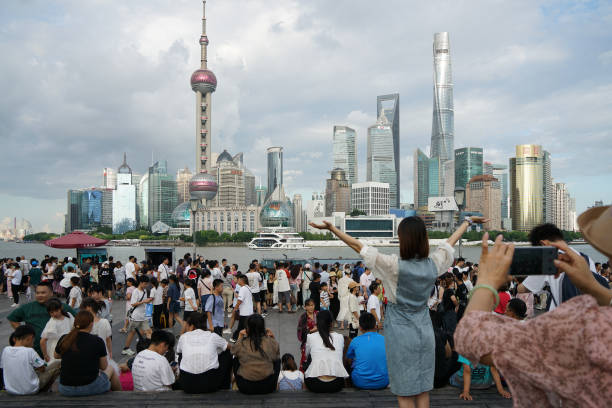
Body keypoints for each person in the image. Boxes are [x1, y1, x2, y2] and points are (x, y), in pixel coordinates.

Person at [310, 215, 487, 407]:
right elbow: (448, 244)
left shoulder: (393, 266)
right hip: (424, 331)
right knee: (423, 389)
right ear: (424, 238)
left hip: (401, 334)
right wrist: (467, 222)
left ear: (403, 239)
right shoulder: (432, 264)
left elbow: (359, 247)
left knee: (405, 393)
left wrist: (332, 229)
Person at [454, 227, 612, 407]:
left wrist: (486, 282)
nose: (607, 260)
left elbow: (472, 341)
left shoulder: (555, 338)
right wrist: (595, 287)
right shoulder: (587, 261)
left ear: (543, 245)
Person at [517, 223, 609, 310]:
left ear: (543, 244)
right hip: (588, 317)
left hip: (564, 320)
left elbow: (523, 289)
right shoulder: (586, 259)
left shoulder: (548, 262)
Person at [55, 311, 121, 396]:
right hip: (90, 388)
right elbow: (103, 366)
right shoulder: (97, 341)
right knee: (111, 369)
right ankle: (119, 395)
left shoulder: (64, 338)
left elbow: (56, 356)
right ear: (91, 324)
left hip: (65, 389)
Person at [7, 281, 76, 357]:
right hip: (35, 351)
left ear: (51, 293)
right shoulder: (28, 307)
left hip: (58, 351)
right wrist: (23, 334)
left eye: (43, 293)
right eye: (37, 293)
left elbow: (79, 320)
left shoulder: (62, 307)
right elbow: (12, 318)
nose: (39, 295)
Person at [176, 312, 232, 393]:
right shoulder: (212, 336)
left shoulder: (183, 337)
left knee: (181, 354)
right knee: (227, 352)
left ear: (191, 326)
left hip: (187, 384)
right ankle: (225, 386)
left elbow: (178, 352)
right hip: (210, 384)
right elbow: (230, 347)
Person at [1, 325, 61, 395]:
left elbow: (3, 368)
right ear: (30, 338)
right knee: (58, 364)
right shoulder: (29, 351)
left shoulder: (5, 350)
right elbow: (42, 369)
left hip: (11, 390)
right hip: (30, 390)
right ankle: (44, 390)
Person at [232, 314, 280, 394]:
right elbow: (276, 354)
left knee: (235, 359)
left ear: (248, 328)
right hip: (268, 386)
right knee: (277, 360)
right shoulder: (270, 342)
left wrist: (240, 336)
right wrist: (272, 338)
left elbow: (233, 351)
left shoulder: (242, 343)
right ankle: (274, 383)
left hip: (246, 387)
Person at [304, 310, 348, 392]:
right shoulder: (340, 337)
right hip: (337, 384)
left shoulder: (311, 337)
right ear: (332, 323)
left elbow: (306, 356)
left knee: (310, 357)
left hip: (315, 384)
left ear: (317, 323)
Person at [346, 312, 389, 390]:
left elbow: (349, 359)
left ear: (360, 327)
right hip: (383, 381)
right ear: (375, 326)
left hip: (360, 382)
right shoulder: (385, 339)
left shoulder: (355, 341)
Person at [122, 276, 153, 356]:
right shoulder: (136, 291)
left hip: (143, 316)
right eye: (145, 284)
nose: (146, 285)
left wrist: (148, 301)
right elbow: (133, 303)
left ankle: (150, 349)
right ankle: (126, 348)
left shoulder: (145, 291)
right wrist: (144, 301)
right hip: (136, 316)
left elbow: (143, 302)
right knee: (132, 333)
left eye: (147, 284)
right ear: (141, 283)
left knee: (149, 331)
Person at [40, 298, 74, 362]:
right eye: (52, 312)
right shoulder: (52, 322)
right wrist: (45, 355)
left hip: (69, 345)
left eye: (56, 311)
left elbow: (73, 328)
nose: (55, 314)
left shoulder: (68, 315)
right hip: (56, 349)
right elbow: (42, 341)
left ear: (61, 308)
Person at [296, 298, 318, 371]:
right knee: (305, 362)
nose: (311, 307)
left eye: (312, 305)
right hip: (307, 344)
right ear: (305, 307)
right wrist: (312, 330)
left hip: (318, 342)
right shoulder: (303, 318)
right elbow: (300, 333)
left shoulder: (318, 314)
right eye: (308, 306)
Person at [231, 274, 254, 342]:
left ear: (241, 280)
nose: (237, 281)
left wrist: (235, 308)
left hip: (244, 312)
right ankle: (249, 338)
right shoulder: (248, 287)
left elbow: (240, 300)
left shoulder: (243, 288)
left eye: (238, 279)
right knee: (246, 326)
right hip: (249, 311)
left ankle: (235, 338)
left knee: (241, 327)